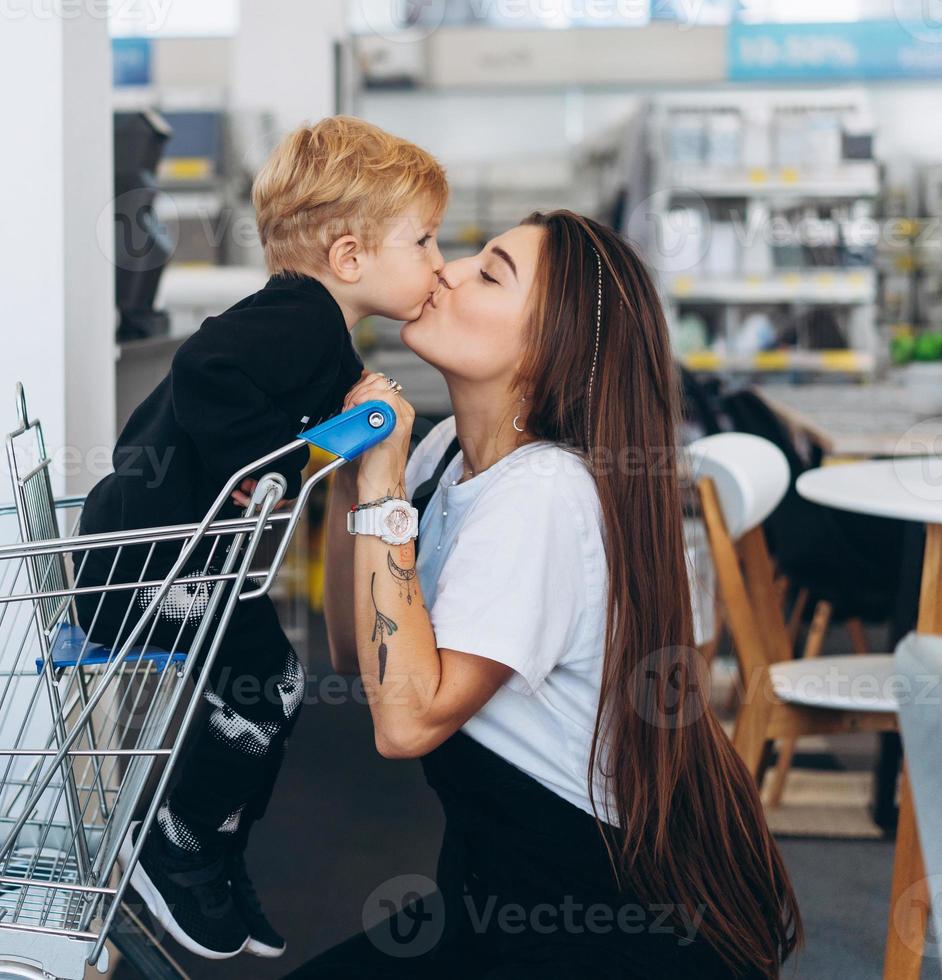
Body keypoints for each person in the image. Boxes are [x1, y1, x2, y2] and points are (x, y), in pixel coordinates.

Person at [302, 210, 801, 978]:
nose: (448, 270)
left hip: (605, 926)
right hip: (492, 896)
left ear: (552, 350)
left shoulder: (542, 493)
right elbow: (354, 651)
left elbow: (404, 723)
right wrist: (350, 474)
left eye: (490, 271)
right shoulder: (442, 455)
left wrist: (380, 486)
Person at [76, 116, 448, 960]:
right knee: (266, 688)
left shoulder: (316, 328)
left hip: (170, 555)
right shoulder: (297, 317)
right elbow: (208, 367)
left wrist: (343, 425)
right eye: (422, 240)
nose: (437, 262)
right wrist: (262, 470)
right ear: (350, 257)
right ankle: (178, 844)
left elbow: (291, 427)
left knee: (273, 687)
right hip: (145, 561)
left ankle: (209, 846)